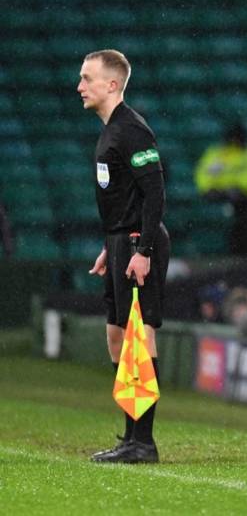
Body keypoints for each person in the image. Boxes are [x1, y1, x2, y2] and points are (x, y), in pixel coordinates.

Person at [79, 49, 170, 464]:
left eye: (87, 78)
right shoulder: (110, 130)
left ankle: (143, 443)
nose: (80, 86)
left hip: (139, 242)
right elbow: (123, 196)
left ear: (112, 84)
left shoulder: (132, 129)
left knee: (140, 334)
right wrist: (108, 245)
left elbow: (155, 193)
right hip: (120, 240)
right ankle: (130, 435)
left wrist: (143, 249)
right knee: (116, 337)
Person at [195, 122, 247, 254]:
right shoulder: (216, 154)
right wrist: (210, 189)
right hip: (219, 196)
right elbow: (203, 174)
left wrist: (238, 188)